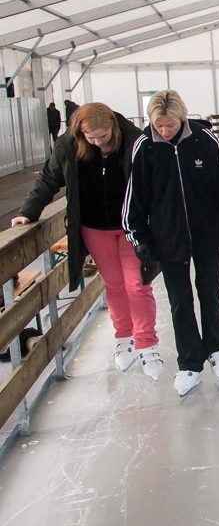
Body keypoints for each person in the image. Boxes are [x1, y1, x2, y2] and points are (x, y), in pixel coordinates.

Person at [15, 103, 164, 380]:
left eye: (103, 136)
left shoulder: (133, 140)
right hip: (94, 228)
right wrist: (28, 212)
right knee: (114, 285)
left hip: (132, 228)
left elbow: (156, 179)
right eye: (91, 138)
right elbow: (49, 179)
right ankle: (124, 337)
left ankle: (147, 344)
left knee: (138, 284)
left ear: (113, 127)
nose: (98, 142)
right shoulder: (69, 145)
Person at [124, 90, 219, 396]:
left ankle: (217, 349)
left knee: (210, 292)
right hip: (167, 237)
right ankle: (190, 362)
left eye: (170, 125)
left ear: (182, 118)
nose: (165, 131)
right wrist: (139, 238)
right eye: (159, 125)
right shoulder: (144, 147)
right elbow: (134, 198)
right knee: (180, 301)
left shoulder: (204, 140)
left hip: (207, 233)